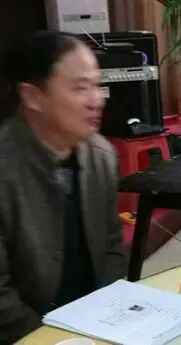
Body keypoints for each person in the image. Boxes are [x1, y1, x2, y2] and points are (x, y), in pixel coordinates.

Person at [0, 31, 126, 343]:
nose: (97, 100)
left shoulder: (102, 156)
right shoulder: (5, 168)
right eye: (80, 88)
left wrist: (108, 322)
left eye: (96, 85)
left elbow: (112, 249)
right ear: (32, 97)